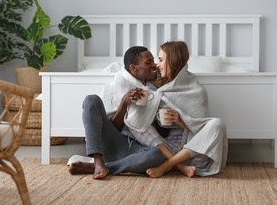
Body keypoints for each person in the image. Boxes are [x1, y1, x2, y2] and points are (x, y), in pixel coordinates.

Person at [128, 41, 228, 178]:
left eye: (161, 60)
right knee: (135, 120)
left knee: (217, 124)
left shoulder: (196, 90)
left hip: (194, 154)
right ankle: (179, 166)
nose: (157, 65)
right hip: (169, 149)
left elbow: (202, 130)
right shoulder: (154, 86)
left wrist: (182, 123)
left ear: (172, 61)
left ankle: (167, 166)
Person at [68, 46, 166, 179]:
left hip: (133, 149)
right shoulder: (116, 86)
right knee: (91, 99)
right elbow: (113, 128)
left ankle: (103, 167)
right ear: (134, 68)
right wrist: (124, 104)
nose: (154, 65)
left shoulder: (156, 90)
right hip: (112, 141)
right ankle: (97, 160)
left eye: (154, 61)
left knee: (157, 154)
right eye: (149, 62)